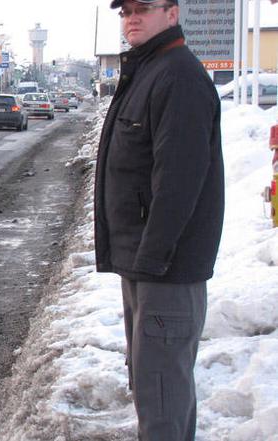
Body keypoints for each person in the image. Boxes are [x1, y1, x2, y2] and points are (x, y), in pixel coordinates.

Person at [93, 0, 225, 440]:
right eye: (125, 10)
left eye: (143, 8)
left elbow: (179, 182)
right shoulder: (150, 70)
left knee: (163, 395)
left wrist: (151, 259)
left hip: (165, 269)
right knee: (154, 389)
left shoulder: (178, 78)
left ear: (172, 13)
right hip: (146, 265)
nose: (132, 17)